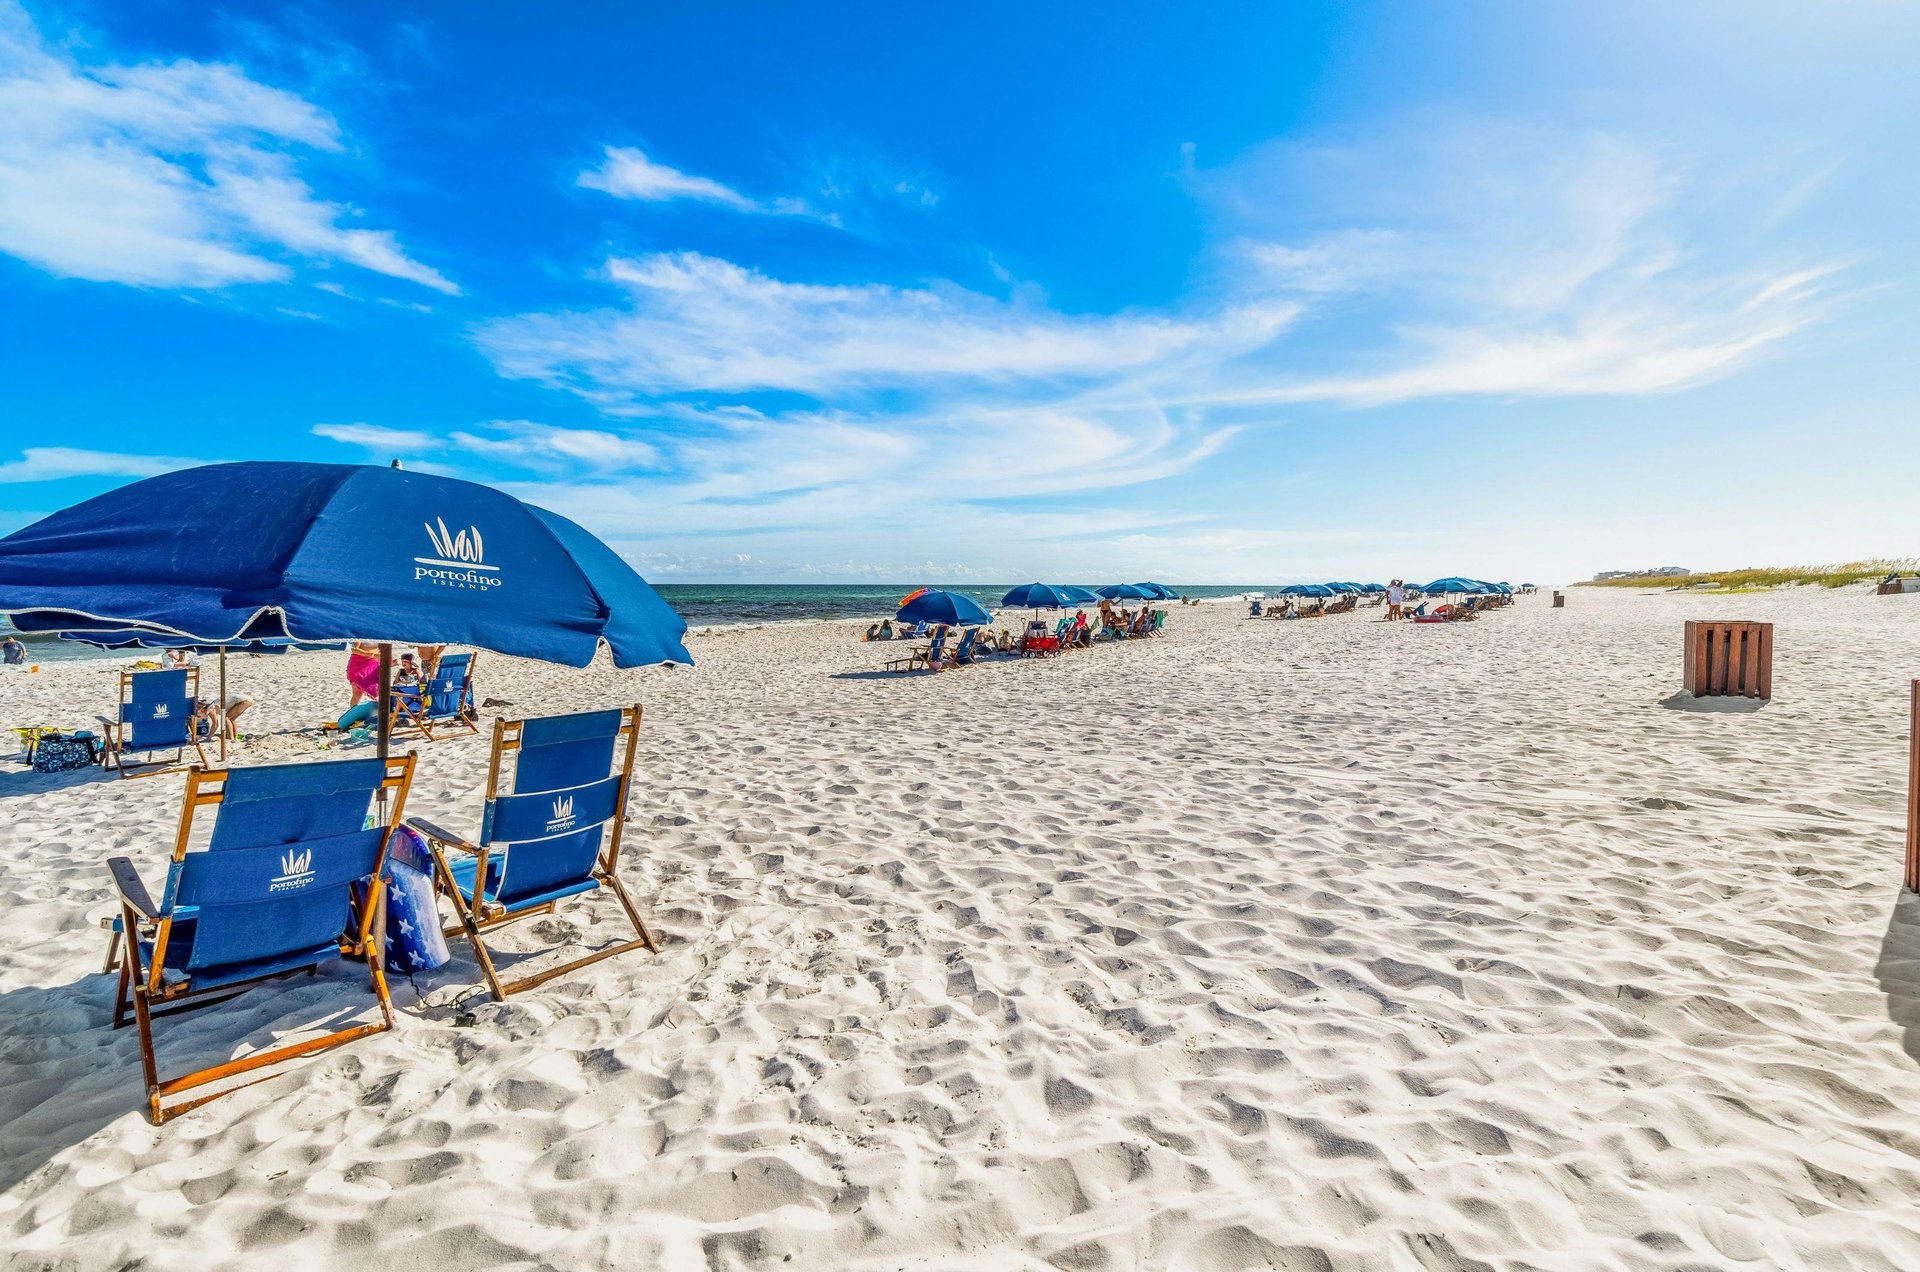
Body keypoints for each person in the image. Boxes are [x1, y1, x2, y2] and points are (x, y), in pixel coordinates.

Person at [345, 641, 382, 708]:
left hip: (373, 663)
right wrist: (373, 655)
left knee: (377, 688)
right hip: (359, 663)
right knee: (357, 693)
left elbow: (384, 648)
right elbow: (354, 650)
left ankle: (379, 712)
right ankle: (353, 713)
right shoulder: (361, 633)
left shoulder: (380, 634)